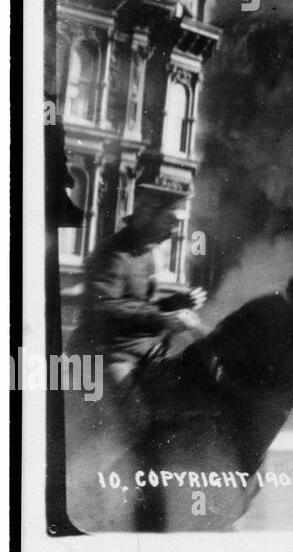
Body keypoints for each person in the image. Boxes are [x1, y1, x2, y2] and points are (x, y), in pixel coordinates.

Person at [78, 188, 207, 441]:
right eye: (170, 220)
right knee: (136, 422)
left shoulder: (144, 251)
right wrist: (162, 318)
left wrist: (176, 302)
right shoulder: (113, 252)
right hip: (106, 354)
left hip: (142, 351)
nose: (174, 229)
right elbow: (103, 307)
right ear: (148, 214)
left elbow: (139, 303)